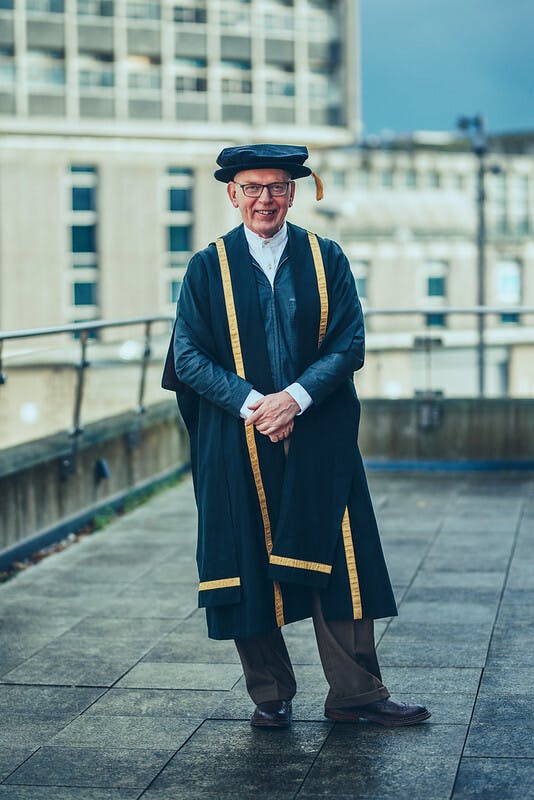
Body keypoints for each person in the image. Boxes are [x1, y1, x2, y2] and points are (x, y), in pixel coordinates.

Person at [162, 143, 430, 729]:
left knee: (340, 554)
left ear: (294, 192)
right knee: (246, 558)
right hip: (239, 435)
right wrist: (259, 406)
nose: (266, 199)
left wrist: (296, 399)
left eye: (278, 187)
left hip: (318, 431)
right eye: (253, 188)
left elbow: (349, 343)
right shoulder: (208, 266)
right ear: (232, 194)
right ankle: (270, 693)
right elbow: (188, 357)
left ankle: (356, 694)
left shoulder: (325, 255)